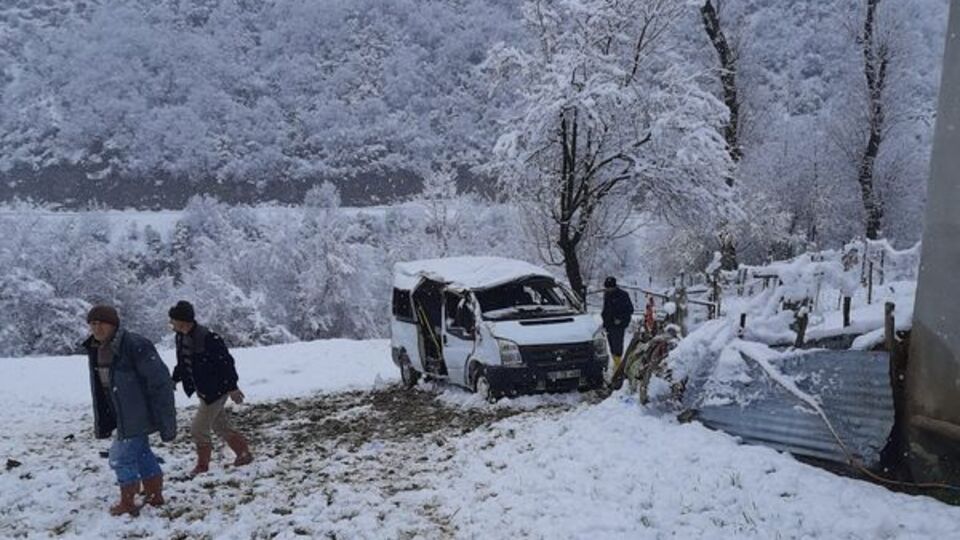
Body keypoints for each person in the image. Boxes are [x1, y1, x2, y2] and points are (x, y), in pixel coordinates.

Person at [83, 304, 176, 517]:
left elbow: (160, 381)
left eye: (101, 323)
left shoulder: (134, 344)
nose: (96, 328)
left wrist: (166, 419)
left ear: (113, 325)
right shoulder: (97, 347)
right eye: (92, 324)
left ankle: (128, 501)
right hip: (121, 412)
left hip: (137, 413)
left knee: (120, 457)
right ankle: (155, 495)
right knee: (142, 453)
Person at [168, 301, 253, 476]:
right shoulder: (180, 336)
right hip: (203, 389)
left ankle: (202, 466)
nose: (171, 324)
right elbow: (183, 362)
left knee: (198, 429)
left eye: (173, 321)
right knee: (219, 425)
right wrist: (174, 379)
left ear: (183, 321)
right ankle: (243, 453)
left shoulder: (208, 338)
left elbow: (226, 363)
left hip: (216, 390)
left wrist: (232, 387)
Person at [601, 277, 634, 372]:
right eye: (607, 288)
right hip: (608, 324)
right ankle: (615, 362)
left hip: (619, 325)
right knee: (611, 344)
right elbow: (606, 309)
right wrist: (604, 319)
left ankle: (618, 365)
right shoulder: (607, 295)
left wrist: (620, 319)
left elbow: (630, 310)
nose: (608, 290)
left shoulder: (623, 295)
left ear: (614, 287)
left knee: (617, 344)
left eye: (609, 288)